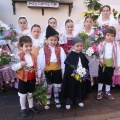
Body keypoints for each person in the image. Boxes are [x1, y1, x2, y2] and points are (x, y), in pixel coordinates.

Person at [37, 25, 66, 109]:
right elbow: (40, 61)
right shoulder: (43, 50)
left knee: (56, 85)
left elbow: (63, 61)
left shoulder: (60, 49)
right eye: (51, 40)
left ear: (57, 41)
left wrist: (63, 72)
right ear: (46, 40)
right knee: (49, 85)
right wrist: (40, 72)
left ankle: (56, 98)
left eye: (55, 40)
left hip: (57, 70)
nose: (53, 42)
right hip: (47, 71)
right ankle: (48, 98)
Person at [11, 36, 39, 117]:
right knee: (23, 95)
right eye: (26, 46)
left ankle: (31, 106)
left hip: (32, 78)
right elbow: (13, 67)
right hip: (23, 79)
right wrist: (20, 64)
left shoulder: (34, 56)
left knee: (30, 93)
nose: (29, 48)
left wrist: (38, 76)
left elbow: (37, 67)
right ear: (21, 47)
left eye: (30, 46)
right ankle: (23, 108)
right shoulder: (18, 57)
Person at [62, 37, 89, 110]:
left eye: (81, 46)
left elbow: (86, 65)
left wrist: (84, 73)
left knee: (79, 87)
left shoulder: (82, 55)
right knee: (70, 87)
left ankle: (78, 99)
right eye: (77, 46)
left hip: (80, 75)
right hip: (72, 76)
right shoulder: (71, 55)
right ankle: (69, 100)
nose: (79, 48)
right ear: (73, 46)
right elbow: (68, 67)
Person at [97, 26, 119, 100]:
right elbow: (98, 53)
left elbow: (118, 55)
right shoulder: (101, 44)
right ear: (105, 35)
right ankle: (99, 91)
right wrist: (100, 60)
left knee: (109, 78)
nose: (109, 37)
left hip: (111, 64)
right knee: (101, 77)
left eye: (112, 36)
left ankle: (107, 92)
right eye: (108, 35)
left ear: (114, 37)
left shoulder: (116, 45)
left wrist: (117, 64)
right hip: (102, 64)